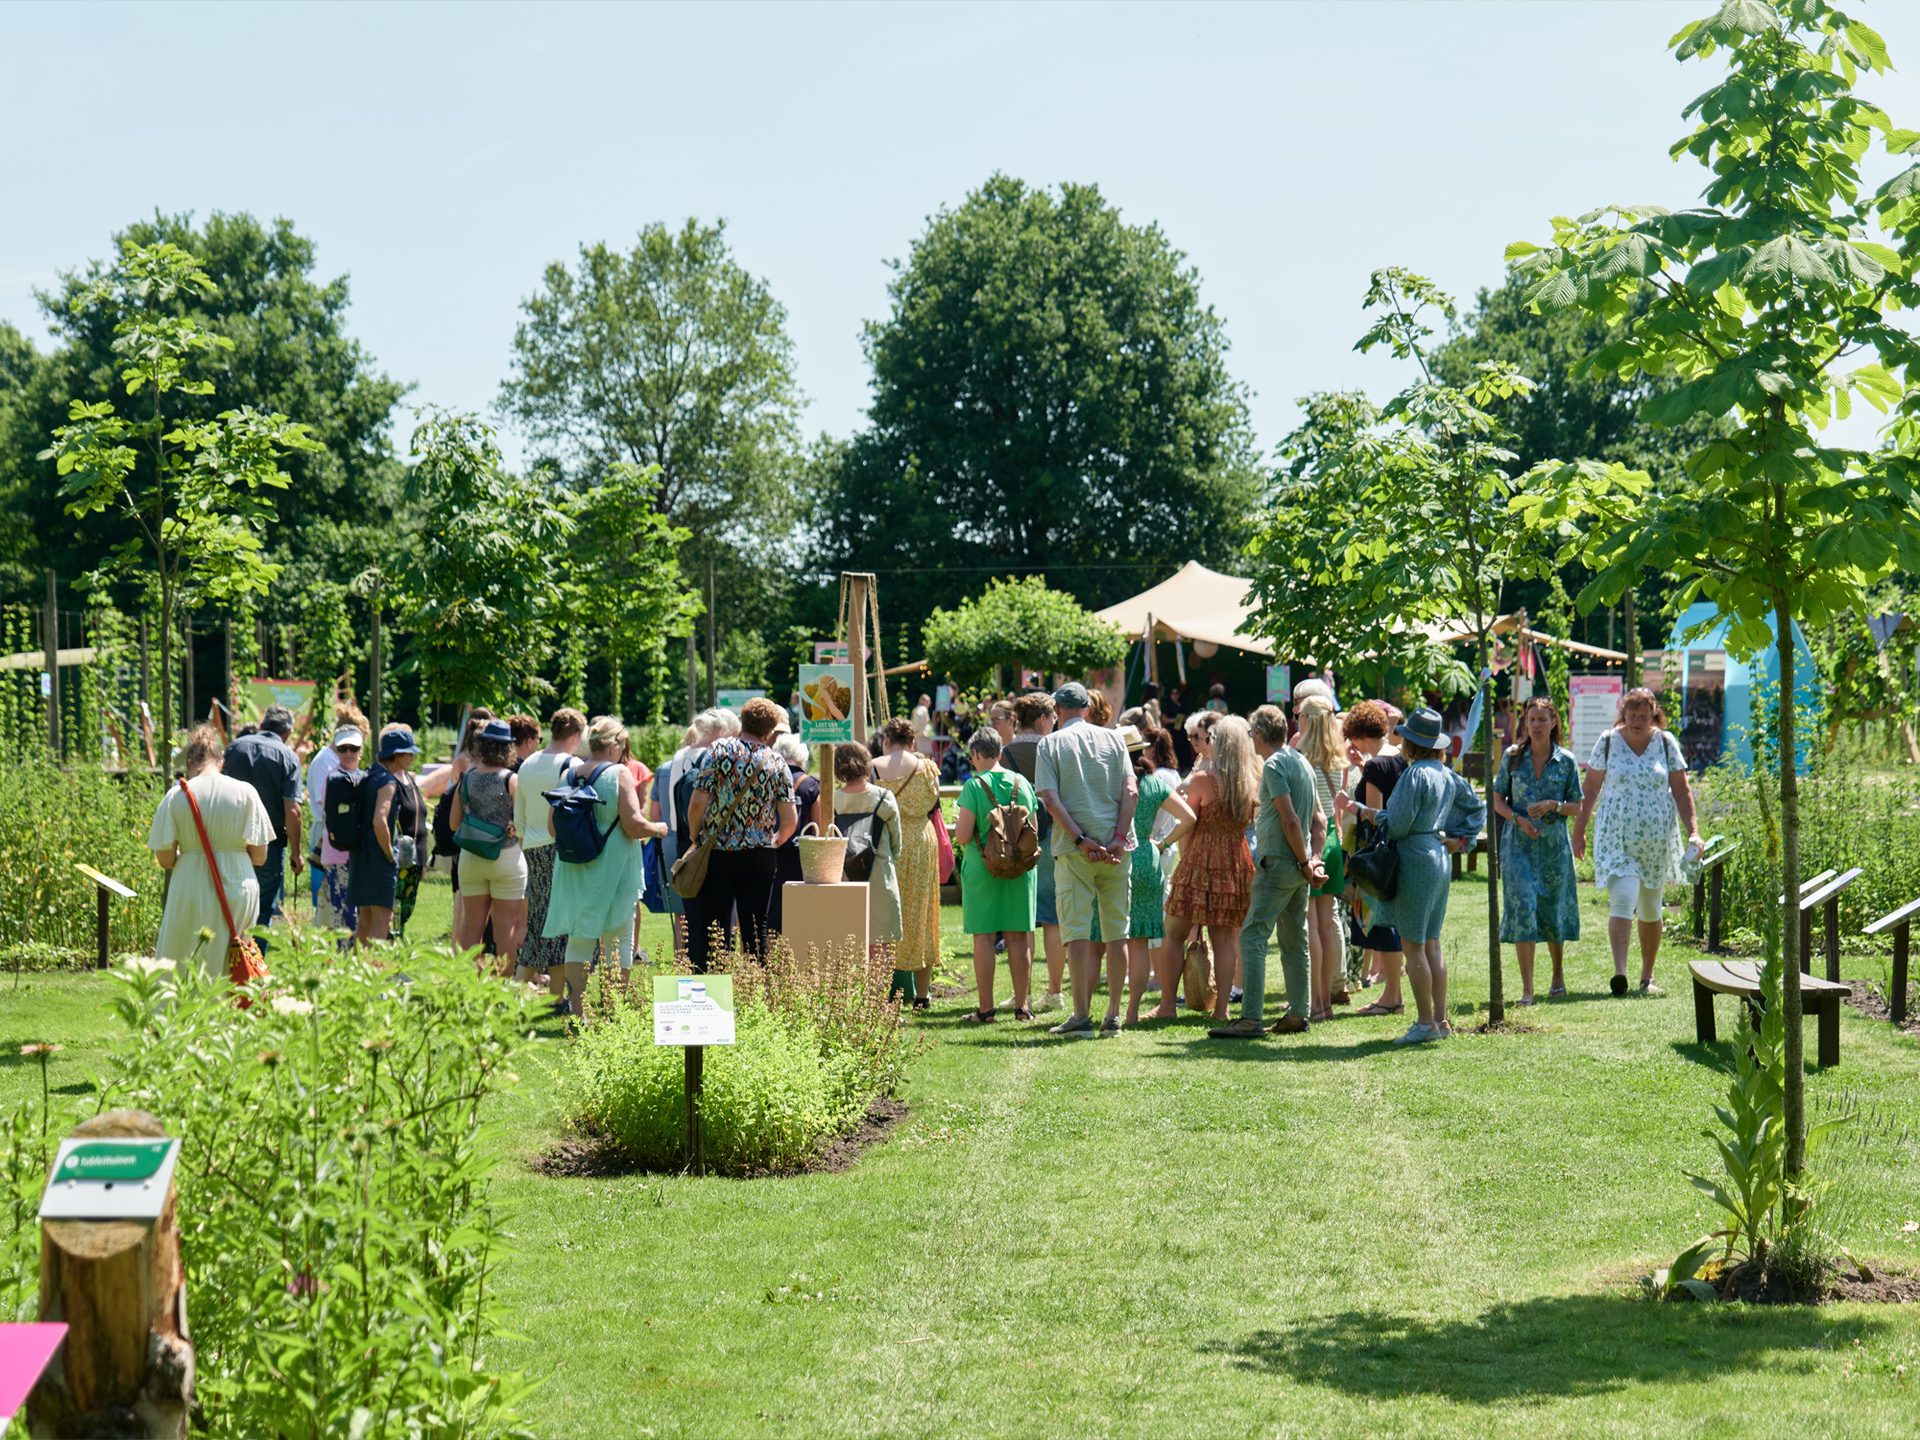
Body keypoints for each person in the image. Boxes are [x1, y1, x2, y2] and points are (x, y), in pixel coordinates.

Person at [1340, 707, 1486, 1045]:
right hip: (1437, 855)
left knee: (1414, 945)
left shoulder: (1416, 773)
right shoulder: (1446, 773)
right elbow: (1476, 810)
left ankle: (1424, 1023)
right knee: (1432, 942)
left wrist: (1367, 813)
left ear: (1411, 744)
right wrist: (1458, 841)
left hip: (1415, 857)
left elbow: (1399, 822)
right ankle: (1440, 1019)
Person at [1574, 686, 1702, 996]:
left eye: (1643, 716)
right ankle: (1620, 973)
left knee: (1650, 908)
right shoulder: (1607, 743)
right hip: (1616, 837)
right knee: (1623, 896)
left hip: (1656, 842)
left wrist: (1694, 831)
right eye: (1632, 715)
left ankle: (1648, 976)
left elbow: (1682, 792)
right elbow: (1589, 789)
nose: (1637, 721)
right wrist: (1579, 830)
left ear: (1653, 714)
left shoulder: (1666, 743)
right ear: (1624, 713)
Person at [1208, 705, 1325, 1037]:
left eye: (1251, 734)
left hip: (1280, 864)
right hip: (1299, 867)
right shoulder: (1302, 762)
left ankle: (1250, 1018)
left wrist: (1306, 862)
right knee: (1294, 939)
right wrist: (1313, 860)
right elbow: (1319, 820)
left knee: (1252, 935)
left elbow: (1290, 819)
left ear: (1259, 734)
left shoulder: (1274, 765)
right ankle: (1299, 1012)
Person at [544, 715, 665, 1013]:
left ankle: (578, 1010)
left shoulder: (568, 774)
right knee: (619, 937)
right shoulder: (620, 773)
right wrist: (658, 828)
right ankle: (612, 1010)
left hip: (575, 865)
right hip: (614, 868)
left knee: (580, 937)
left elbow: (551, 827)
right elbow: (634, 824)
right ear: (615, 745)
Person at [1034, 683, 1136, 1036]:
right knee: (1117, 933)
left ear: (1058, 710)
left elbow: (1050, 798)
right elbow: (1131, 791)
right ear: (1087, 708)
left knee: (1076, 933)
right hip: (1115, 848)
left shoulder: (1050, 743)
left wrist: (1079, 838)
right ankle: (1113, 1016)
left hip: (1075, 849)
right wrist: (1120, 838)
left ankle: (1080, 1016)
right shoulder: (1115, 739)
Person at [684, 697, 798, 970]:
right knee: (756, 931)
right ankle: (756, 994)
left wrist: (695, 835)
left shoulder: (718, 751)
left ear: (742, 722)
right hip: (759, 856)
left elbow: (698, 802)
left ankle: (708, 991)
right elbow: (789, 821)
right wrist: (772, 840)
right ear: (770, 731)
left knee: (713, 928)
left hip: (718, 852)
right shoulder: (777, 762)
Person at [149, 725, 274, 974]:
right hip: (240, 882)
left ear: (190, 762)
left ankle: (186, 1010)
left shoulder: (175, 796)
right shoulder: (246, 792)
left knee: (186, 957)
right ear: (220, 760)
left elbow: (164, 858)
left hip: (190, 883)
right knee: (234, 958)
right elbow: (260, 857)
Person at [1490, 696, 1583, 1003]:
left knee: (1552, 909)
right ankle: (1527, 989)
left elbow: (1577, 806)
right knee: (1522, 906)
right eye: (1532, 720)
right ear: (1525, 723)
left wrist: (1553, 805)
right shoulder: (1513, 757)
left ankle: (1557, 975)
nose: (1537, 725)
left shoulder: (1566, 760)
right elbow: (1497, 800)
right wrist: (1517, 818)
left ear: (1554, 722)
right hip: (1518, 844)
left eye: (1543, 719)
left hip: (1554, 847)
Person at [952, 727, 1039, 1021]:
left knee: (984, 939)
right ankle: (1022, 1006)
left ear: (976, 754)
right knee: (1018, 938)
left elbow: (963, 836)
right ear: (1000, 752)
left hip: (983, 868)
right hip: (1019, 868)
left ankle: (986, 1009)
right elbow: (1034, 828)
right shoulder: (1023, 783)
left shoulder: (974, 787)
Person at [1121, 725, 1195, 1025]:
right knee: (1139, 940)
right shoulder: (1154, 784)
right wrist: (1162, 842)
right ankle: (1132, 1012)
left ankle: (1098, 1009)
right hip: (1147, 858)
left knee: (1106, 939)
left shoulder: (1113, 782)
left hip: (1118, 856)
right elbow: (1189, 817)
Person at [654, 708, 738, 962]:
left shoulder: (675, 759)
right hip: (704, 843)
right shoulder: (713, 758)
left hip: (676, 841)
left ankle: (686, 960)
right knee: (717, 912)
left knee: (688, 911)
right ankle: (715, 960)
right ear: (722, 733)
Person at [872, 716, 943, 1005]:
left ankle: (882, 989)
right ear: (912, 742)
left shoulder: (874, 767)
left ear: (886, 741)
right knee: (923, 914)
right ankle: (922, 994)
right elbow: (934, 805)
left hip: (888, 843)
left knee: (885, 915)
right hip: (923, 842)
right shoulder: (927, 768)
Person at [1342, 701, 1406, 1017]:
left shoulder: (1375, 767)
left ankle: (1392, 996)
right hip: (1403, 850)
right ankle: (1392, 993)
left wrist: (1348, 805)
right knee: (1393, 924)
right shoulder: (1400, 757)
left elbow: (1373, 816)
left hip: (1379, 858)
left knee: (1383, 925)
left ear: (1359, 734)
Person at [448, 718, 528, 971]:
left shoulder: (467, 778)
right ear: (509, 748)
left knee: (471, 926)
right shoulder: (510, 779)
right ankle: (502, 988)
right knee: (506, 927)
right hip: (506, 857)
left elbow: (453, 824)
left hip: (471, 857)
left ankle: (468, 983)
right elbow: (521, 823)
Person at [515, 707, 586, 989]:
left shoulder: (527, 764)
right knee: (560, 924)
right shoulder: (571, 764)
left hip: (531, 849)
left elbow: (518, 820)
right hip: (559, 850)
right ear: (576, 735)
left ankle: (555, 994)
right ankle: (528, 990)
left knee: (542, 923)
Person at [1003, 692, 1066, 1009]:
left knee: (1024, 919)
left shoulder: (1006, 753)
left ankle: (1021, 994)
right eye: (1053, 717)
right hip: (1054, 835)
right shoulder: (1053, 748)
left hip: (1018, 838)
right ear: (1042, 719)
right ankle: (1055, 991)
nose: (1056, 722)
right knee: (1054, 918)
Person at [832, 742, 908, 998]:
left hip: (843, 877)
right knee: (882, 944)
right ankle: (878, 1002)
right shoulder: (883, 798)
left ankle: (854, 1000)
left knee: (848, 942)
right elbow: (897, 843)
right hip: (879, 876)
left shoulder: (834, 799)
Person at [221, 702, 303, 934]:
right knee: (262, 909)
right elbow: (293, 811)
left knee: (229, 906)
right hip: (269, 843)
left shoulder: (234, 748)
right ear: (287, 733)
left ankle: (229, 961)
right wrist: (296, 854)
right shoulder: (288, 756)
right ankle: (255, 966)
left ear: (261, 725)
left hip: (230, 840)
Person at [1296, 695, 1353, 1022]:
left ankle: (1317, 1002)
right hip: (1333, 835)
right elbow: (1339, 806)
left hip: (1311, 836)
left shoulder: (1302, 755)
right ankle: (1326, 1000)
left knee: (1313, 924)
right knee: (1328, 922)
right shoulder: (1338, 756)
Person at [351, 724, 421, 946]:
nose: (411, 757)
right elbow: (380, 822)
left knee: (365, 919)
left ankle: (356, 973)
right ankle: (375, 975)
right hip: (379, 858)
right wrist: (390, 854)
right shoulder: (388, 782)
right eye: (408, 753)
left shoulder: (371, 773)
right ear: (397, 754)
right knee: (383, 921)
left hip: (360, 856)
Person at [308, 723, 365, 932]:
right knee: (344, 916)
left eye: (354, 748)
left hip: (356, 857)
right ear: (336, 749)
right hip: (339, 855)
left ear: (361, 750)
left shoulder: (361, 777)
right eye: (343, 749)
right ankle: (344, 960)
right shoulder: (334, 780)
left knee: (354, 916)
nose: (348, 753)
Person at [770, 732, 820, 931]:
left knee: (770, 915)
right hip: (799, 856)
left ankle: (768, 959)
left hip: (770, 849)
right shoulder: (810, 785)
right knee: (798, 914)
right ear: (801, 756)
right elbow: (818, 826)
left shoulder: (767, 778)